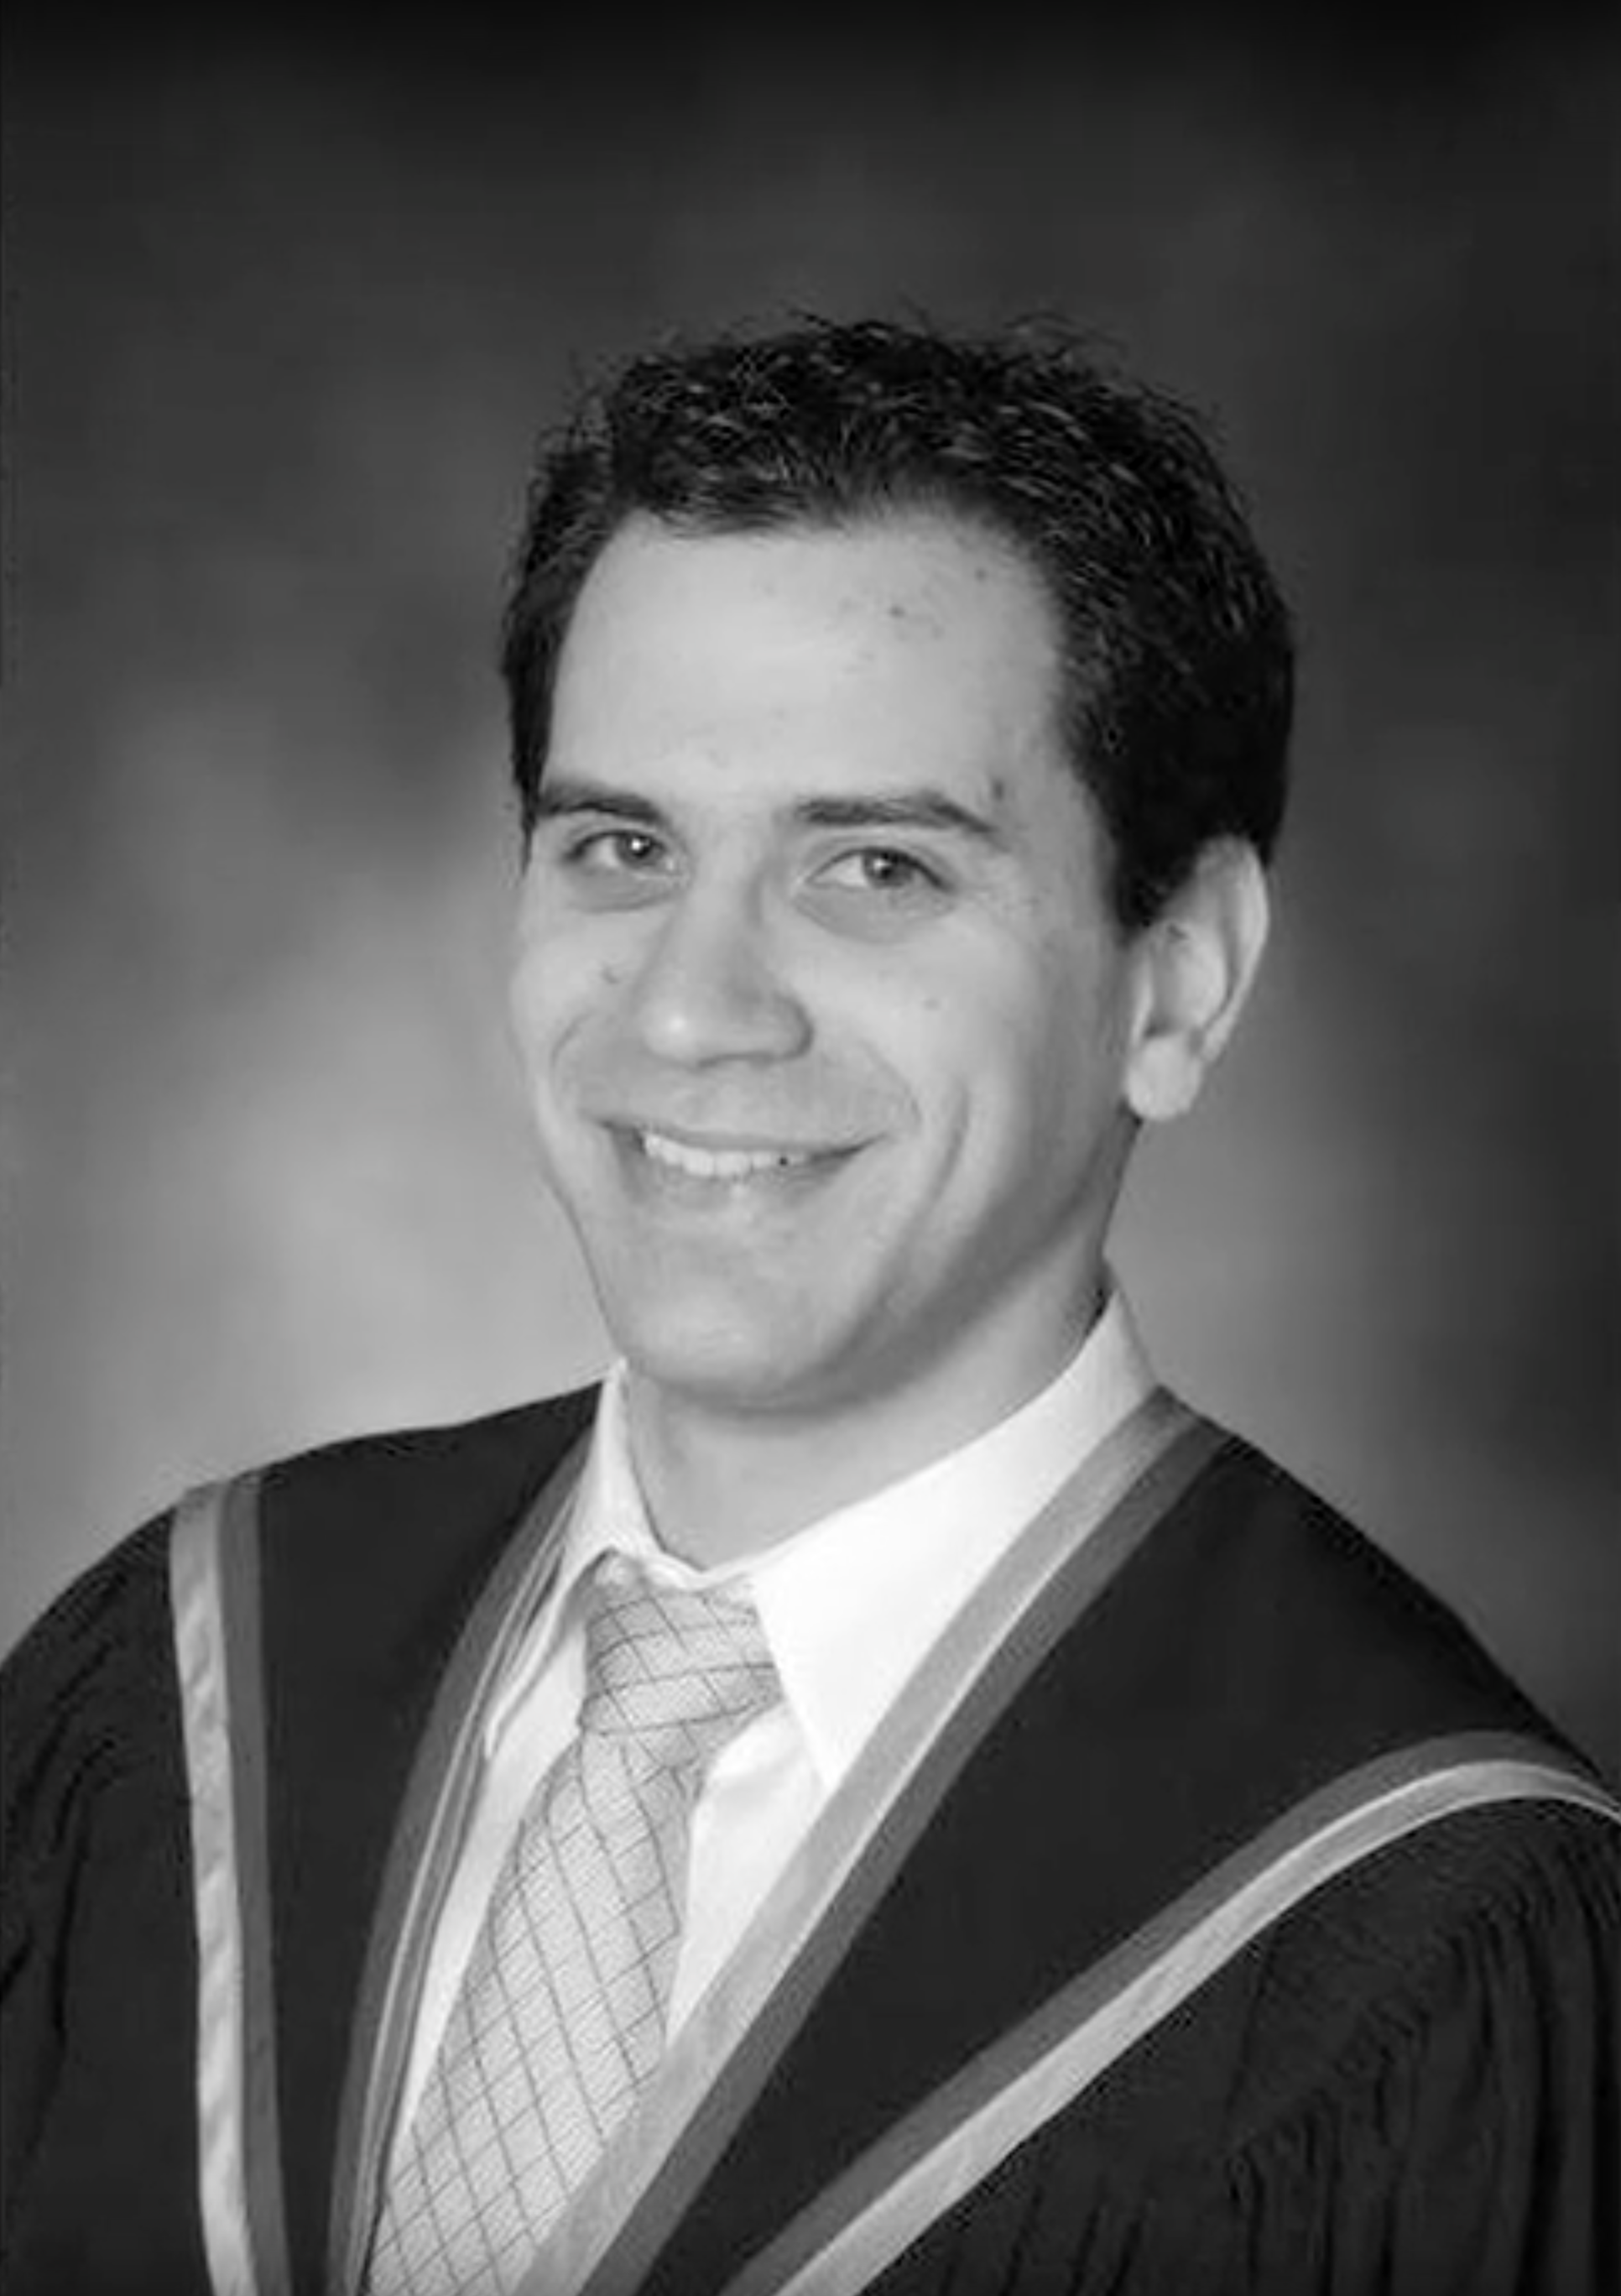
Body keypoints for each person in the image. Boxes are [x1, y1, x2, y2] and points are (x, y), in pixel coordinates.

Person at [3, 318, 1616, 2296]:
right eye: (623, 848)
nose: (692, 1010)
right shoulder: (176, 1694)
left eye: (874, 867)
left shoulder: (1416, 1939)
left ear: (1180, 978)